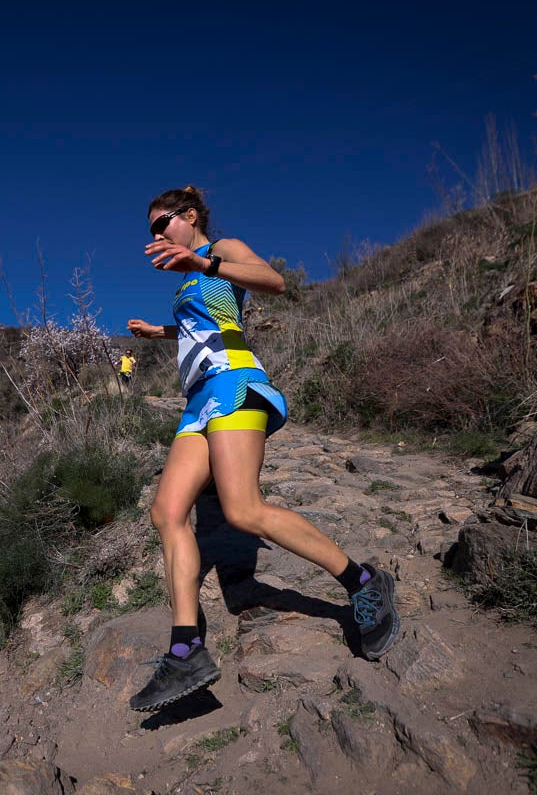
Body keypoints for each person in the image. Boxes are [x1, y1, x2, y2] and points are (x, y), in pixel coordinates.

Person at [125, 186, 399, 712]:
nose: (156, 236)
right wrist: (159, 332)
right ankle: (186, 650)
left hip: (233, 383)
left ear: (189, 217)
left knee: (243, 511)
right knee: (166, 512)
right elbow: (203, 325)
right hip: (198, 399)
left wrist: (203, 258)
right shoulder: (191, 275)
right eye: (151, 230)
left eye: (162, 224)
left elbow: (273, 283)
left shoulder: (224, 249)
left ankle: (365, 582)